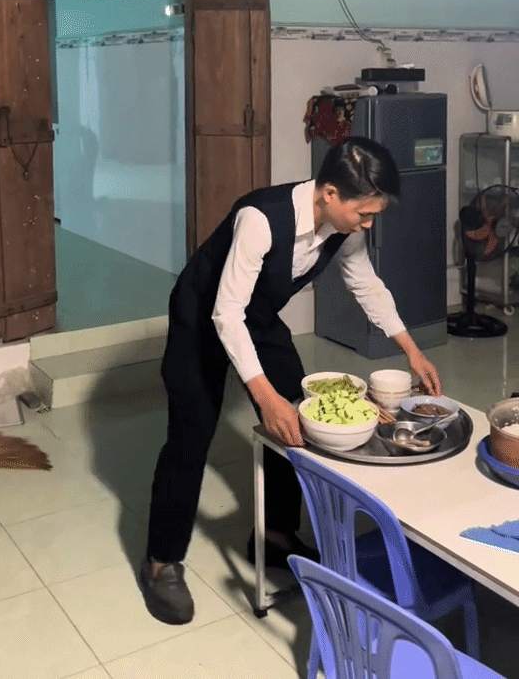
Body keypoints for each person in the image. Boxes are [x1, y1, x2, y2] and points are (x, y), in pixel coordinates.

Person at [139, 137, 441, 625]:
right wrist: (264, 396)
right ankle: (161, 561)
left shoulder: (345, 225)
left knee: (299, 415)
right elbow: (225, 313)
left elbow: (365, 282)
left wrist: (412, 350)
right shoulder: (261, 219)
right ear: (329, 194)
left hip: (256, 317)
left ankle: (275, 535)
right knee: (191, 436)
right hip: (202, 317)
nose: (368, 223)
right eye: (364, 213)